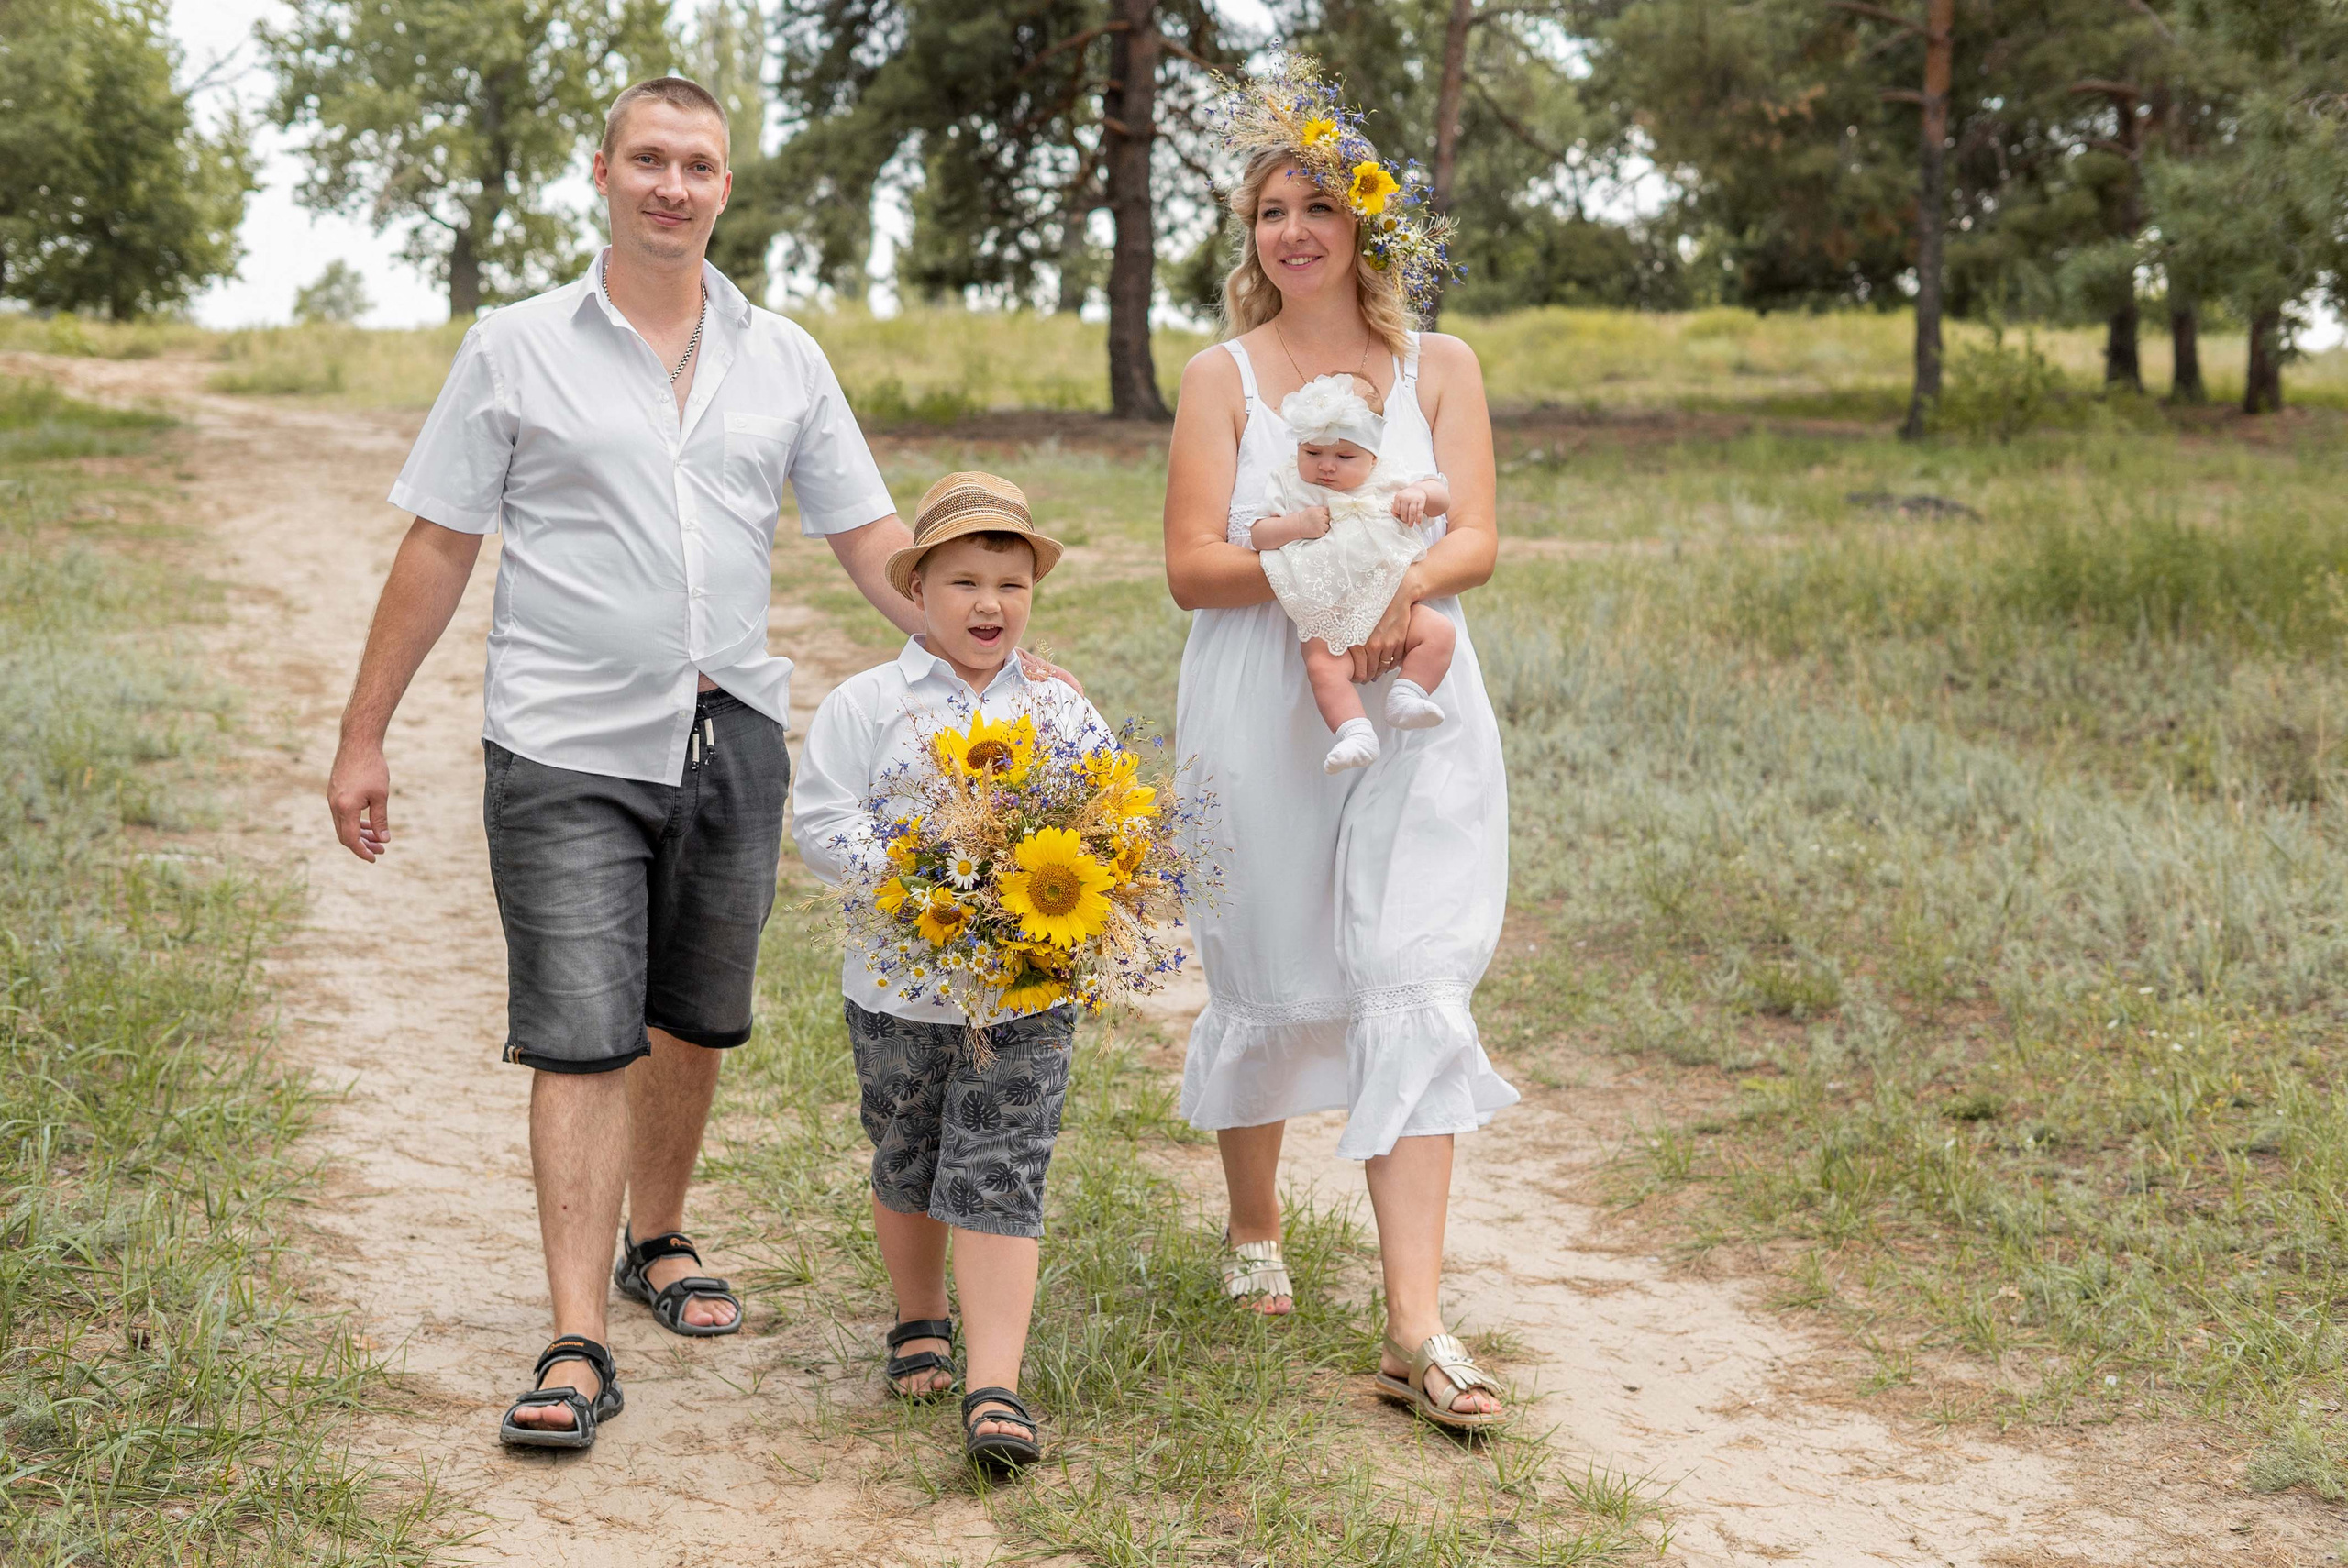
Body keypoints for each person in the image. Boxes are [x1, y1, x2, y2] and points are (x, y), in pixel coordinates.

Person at [323, 77, 1067, 1450]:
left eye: (700, 165)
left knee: (689, 1015)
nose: (673, 184)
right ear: (600, 171)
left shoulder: (783, 357)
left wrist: (989, 673)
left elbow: (867, 537)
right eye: (649, 160)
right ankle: (573, 1338)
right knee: (579, 1024)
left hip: (732, 735)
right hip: (561, 739)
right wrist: (364, 732)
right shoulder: (514, 347)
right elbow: (438, 543)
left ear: (728, 187)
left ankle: (654, 1237)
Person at [1162, 64, 1517, 1431]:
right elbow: (1195, 566)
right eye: (1269, 210)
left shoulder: (1443, 366)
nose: (1294, 230)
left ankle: (1415, 1328)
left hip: (1418, 690)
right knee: (1264, 959)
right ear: (1248, 235)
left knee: (1411, 970)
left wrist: (1407, 593)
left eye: (1319, 203)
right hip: (1267, 695)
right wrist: (1318, 577)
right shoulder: (1223, 380)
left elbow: (1476, 528)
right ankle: (1255, 1224)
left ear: (1372, 219)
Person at [792, 472, 1106, 1473]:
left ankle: (995, 1385)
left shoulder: (1059, 708)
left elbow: (1108, 819)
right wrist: (916, 868)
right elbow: (822, 819)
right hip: (896, 987)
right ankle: (919, 1317)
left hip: (1027, 986)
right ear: (916, 590)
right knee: (907, 1151)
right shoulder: (868, 704)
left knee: (1002, 1167)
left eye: (1010, 585)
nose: (988, 605)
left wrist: (1085, 867)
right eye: (964, 580)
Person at [1240, 371, 1455, 773]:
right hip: (1326, 612)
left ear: (1372, 456)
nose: (1326, 467)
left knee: (1440, 632)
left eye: (1344, 457)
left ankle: (1407, 693)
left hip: (1394, 605)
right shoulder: (1290, 483)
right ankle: (1354, 733)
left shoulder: (1389, 478)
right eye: (1313, 453)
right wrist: (1295, 526)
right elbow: (1258, 535)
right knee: (1322, 666)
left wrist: (1420, 494)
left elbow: (1441, 498)